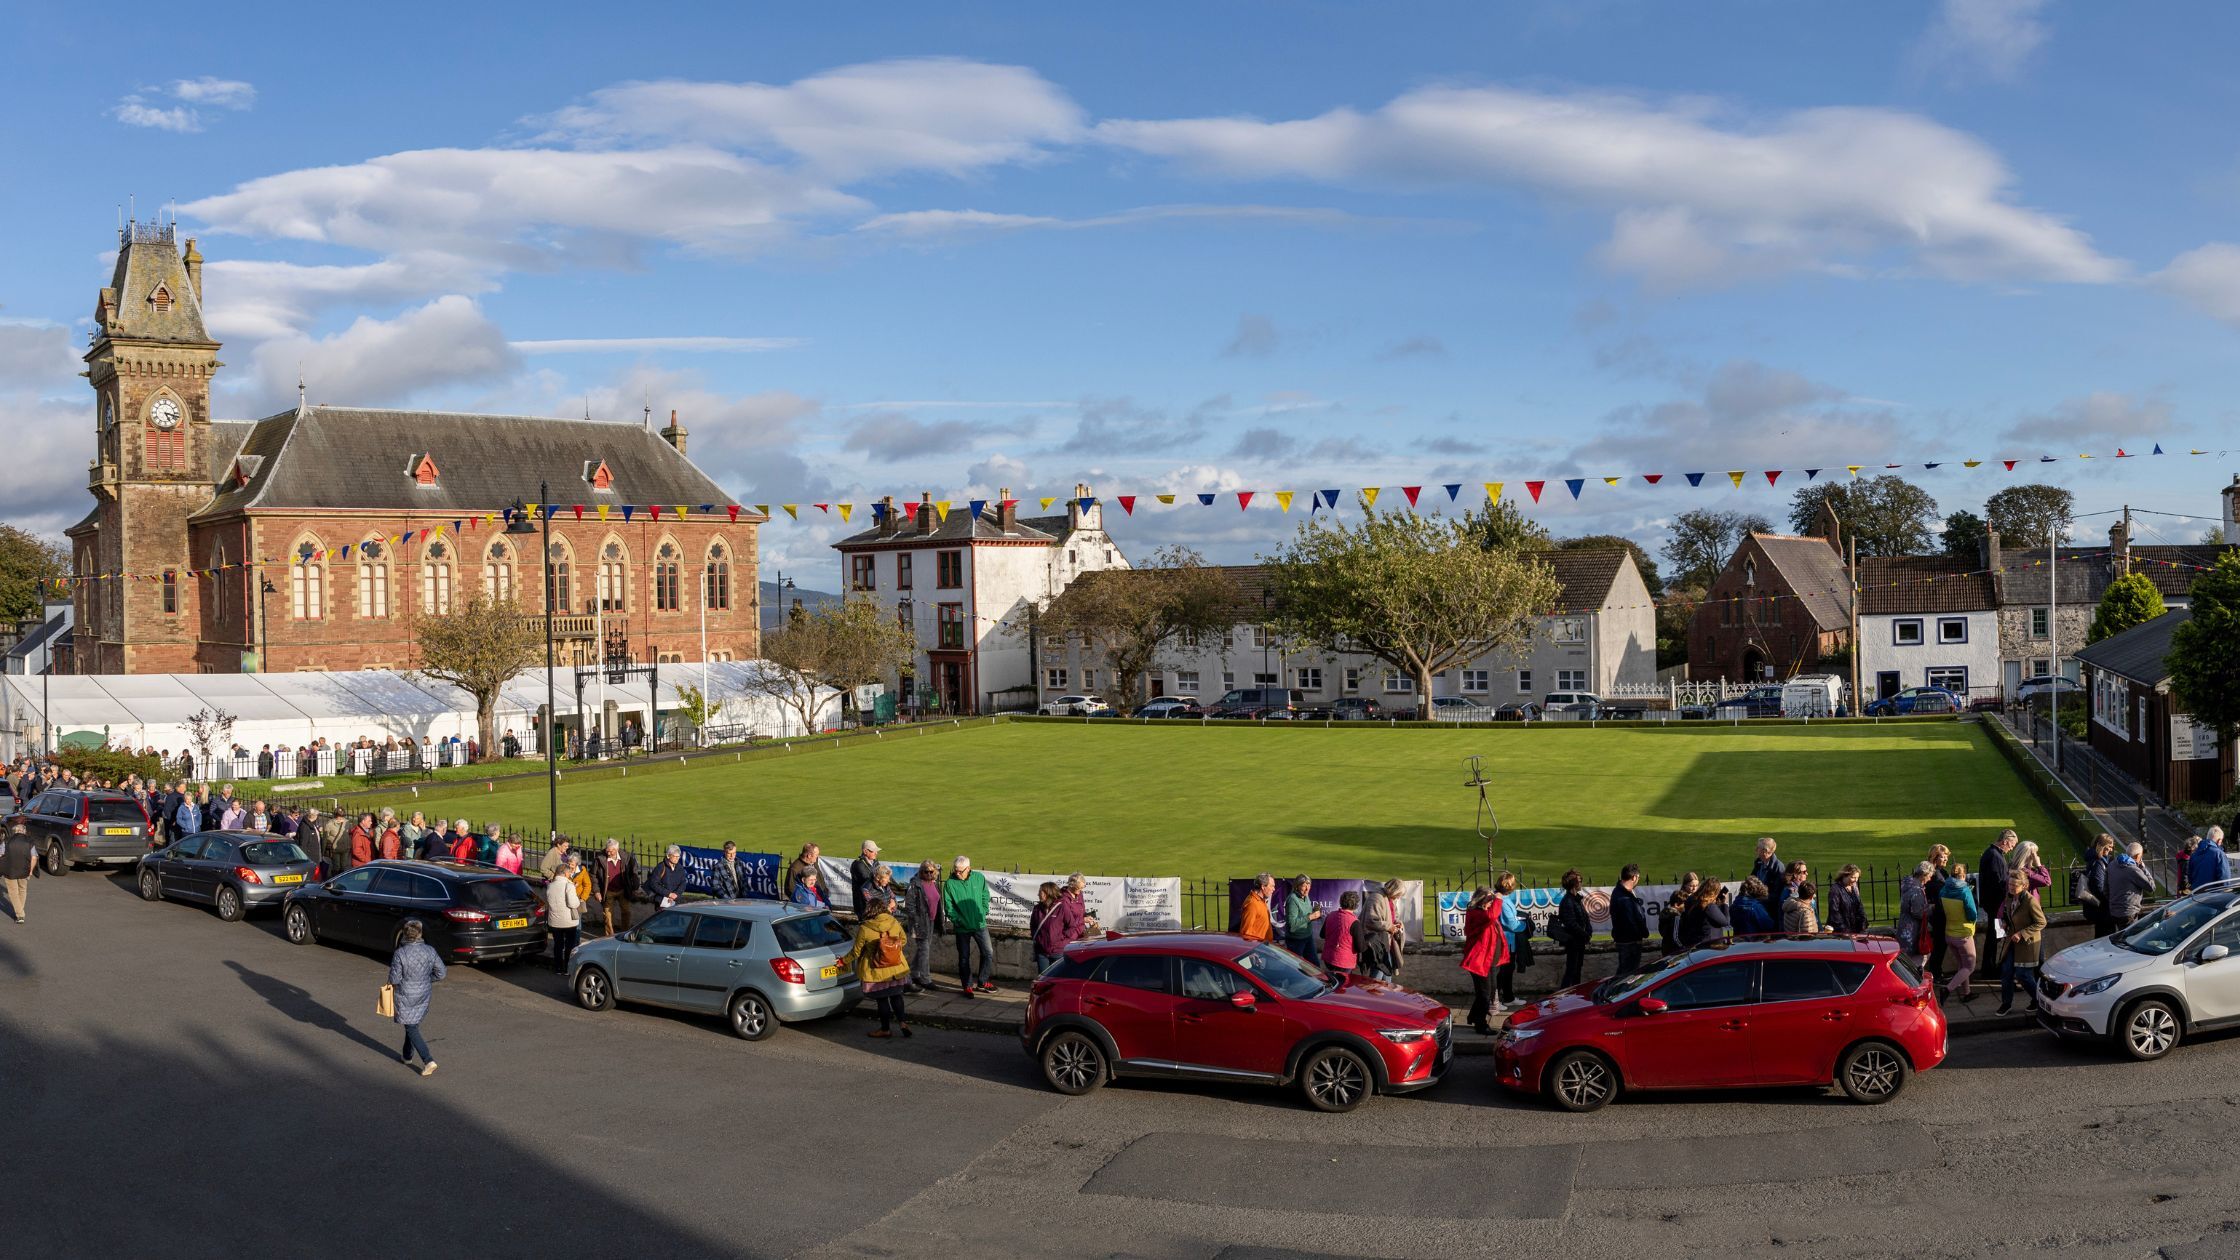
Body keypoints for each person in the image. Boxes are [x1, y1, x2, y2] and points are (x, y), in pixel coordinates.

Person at [843, 890, 913, 1038]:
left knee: (882, 999)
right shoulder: (894, 922)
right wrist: (892, 948)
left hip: (877, 970)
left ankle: (885, 1029)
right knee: (896, 996)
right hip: (896, 967)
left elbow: (856, 952)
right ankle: (902, 1023)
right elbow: (904, 941)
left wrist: (842, 961)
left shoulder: (865, 928)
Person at [389, 919, 448, 1077]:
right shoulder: (430, 950)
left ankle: (428, 1060)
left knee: (411, 1026)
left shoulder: (400, 953)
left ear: (405, 934)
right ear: (420, 933)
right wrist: (427, 980)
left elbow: (394, 980)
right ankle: (407, 1056)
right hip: (424, 994)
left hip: (405, 994)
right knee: (412, 1024)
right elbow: (441, 973)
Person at [1996, 871, 2046, 1016]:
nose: (2010, 887)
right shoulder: (2009, 898)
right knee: (2006, 972)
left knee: (2023, 975)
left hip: (2027, 944)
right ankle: (2006, 1004)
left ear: (2024, 885)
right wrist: (2005, 924)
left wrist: (2022, 933)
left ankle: (2039, 999)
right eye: (2009, 884)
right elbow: (2010, 918)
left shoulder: (2030, 901)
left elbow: (2041, 922)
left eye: (2014, 885)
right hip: (2012, 942)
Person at [943, 856, 993, 996]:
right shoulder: (949, 884)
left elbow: (985, 895)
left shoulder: (979, 878)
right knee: (964, 957)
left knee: (988, 952)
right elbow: (948, 906)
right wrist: (957, 920)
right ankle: (967, 985)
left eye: (960, 871)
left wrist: (983, 911)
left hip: (979, 924)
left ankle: (983, 982)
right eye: (955, 870)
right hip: (962, 927)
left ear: (968, 868)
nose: (957, 873)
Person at [1461, 887, 1509, 1034]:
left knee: (1490, 990)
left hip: (1491, 960)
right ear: (1481, 899)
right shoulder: (1477, 914)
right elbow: (1491, 916)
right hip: (1480, 961)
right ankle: (1481, 1025)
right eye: (1489, 899)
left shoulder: (1485, 913)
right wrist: (1499, 898)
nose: (1492, 901)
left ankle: (1473, 1016)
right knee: (1484, 994)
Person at [903, 860, 945, 992]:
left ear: (935, 872)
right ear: (921, 872)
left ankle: (914, 974)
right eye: (925, 871)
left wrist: (940, 922)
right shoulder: (915, 885)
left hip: (931, 921)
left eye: (931, 871)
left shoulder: (934, 883)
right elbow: (909, 906)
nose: (928, 874)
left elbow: (938, 903)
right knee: (925, 950)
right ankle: (925, 979)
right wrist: (917, 920)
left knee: (923, 950)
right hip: (920, 923)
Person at [1939, 860, 1979, 1001]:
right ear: (1963, 876)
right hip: (1963, 934)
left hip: (1949, 933)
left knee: (1962, 966)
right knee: (1969, 966)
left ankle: (1966, 993)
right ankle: (1948, 989)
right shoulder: (1964, 891)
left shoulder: (1944, 889)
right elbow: (1972, 914)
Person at [1492, 872, 1528, 1008]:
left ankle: (1508, 997)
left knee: (1508, 969)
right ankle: (1495, 1000)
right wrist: (1525, 926)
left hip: (1508, 941)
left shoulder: (1502, 899)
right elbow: (1511, 924)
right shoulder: (1503, 901)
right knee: (1504, 971)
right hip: (1506, 941)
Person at [1551, 869, 1591, 987]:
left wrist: (1588, 931)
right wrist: (1585, 934)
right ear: (1574, 883)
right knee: (1572, 971)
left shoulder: (1576, 899)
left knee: (1577, 970)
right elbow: (1571, 924)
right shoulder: (1567, 901)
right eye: (1579, 880)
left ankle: (1575, 994)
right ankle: (1564, 996)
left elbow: (1584, 918)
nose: (1581, 883)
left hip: (1580, 941)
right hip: (1573, 941)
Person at [1978, 829, 2017, 947]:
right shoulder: (1995, 856)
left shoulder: (1992, 853)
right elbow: (1999, 882)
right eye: (2012, 845)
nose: (2011, 848)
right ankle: (1989, 965)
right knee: (1994, 937)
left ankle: (1990, 964)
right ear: (2005, 841)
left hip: (1992, 904)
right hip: (1995, 905)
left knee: (1994, 936)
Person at [593, 839, 640, 936]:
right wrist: (597, 891)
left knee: (626, 911)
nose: (608, 852)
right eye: (607, 850)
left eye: (611, 851)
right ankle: (609, 936)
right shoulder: (600, 858)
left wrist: (634, 886)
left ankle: (625, 933)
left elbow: (634, 871)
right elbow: (593, 875)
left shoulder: (626, 857)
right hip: (607, 891)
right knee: (607, 915)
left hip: (623, 889)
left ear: (617, 849)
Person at [547, 854, 584, 974]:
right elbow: (573, 904)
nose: (569, 875)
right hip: (568, 921)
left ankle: (558, 968)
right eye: (568, 873)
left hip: (555, 921)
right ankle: (567, 968)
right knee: (569, 946)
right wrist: (578, 900)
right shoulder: (569, 885)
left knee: (558, 945)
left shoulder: (550, 886)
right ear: (564, 873)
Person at [1608, 865, 1648, 976]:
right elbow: (1632, 920)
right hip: (1629, 941)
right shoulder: (1623, 897)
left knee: (1626, 972)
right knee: (1627, 974)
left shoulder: (1622, 893)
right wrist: (1642, 933)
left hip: (1626, 939)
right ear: (1634, 877)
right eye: (1638, 878)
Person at [2105, 841, 2153, 932]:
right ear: (2138, 856)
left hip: (2114, 911)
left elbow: (2105, 889)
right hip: (2129, 912)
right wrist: (2143, 868)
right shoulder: (2133, 870)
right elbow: (2151, 887)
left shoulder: (2112, 865)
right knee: (2130, 940)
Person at [1897, 861, 1936, 967]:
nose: (1930, 879)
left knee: (1905, 959)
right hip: (1913, 931)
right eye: (1929, 876)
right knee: (1915, 961)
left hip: (1904, 928)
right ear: (1924, 875)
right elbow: (1918, 913)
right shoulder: (1917, 891)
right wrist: (1931, 908)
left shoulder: (1908, 885)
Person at [2078, 834, 2116, 937]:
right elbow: (2099, 887)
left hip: (2096, 908)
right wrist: (2110, 900)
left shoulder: (2092, 859)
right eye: (2110, 846)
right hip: (2102, 909)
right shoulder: (2099, 862)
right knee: (2105, 937)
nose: (2111, 850)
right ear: (2102, 845)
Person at [1925, 844, 1952, 980]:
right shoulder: (1932, 873)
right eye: (1943, 856)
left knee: (1942, 943)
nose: (1946, 859)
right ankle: (1935, 973)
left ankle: (1937, 971)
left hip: (1943, 912)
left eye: (1947, 856)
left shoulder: (1942, 871)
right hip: (1937, 914)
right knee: (1940, 943)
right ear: (1935, 857)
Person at [1678, 879, 1731, 949]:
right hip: (1709, 944)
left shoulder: (1691, 899)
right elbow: (1725, 922)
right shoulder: (1709, 906)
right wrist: (1725, 904)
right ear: (1714, 892)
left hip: (1693, 942)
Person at [1284, 875, 1323, 964]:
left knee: (1315, 965)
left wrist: (1314, 913)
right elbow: (1292, 924)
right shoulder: (1292, 900)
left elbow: (1305, 916)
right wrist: (1310, 917)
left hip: (1307, 936)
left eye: (1309, 885)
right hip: (1296, 940)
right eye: (1304, 886)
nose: (1307, 889)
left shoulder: (1305, 896)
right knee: (1295, 967)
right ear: (1297, 886)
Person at [1322, 890, 1360, 977]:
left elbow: (1322, 934)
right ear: (1356, 905)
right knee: (1342, 987)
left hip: (1328, 959)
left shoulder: (1330, 915)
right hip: (1343, 962)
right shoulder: (1354, 922)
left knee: (1331, 983)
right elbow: (1360, 947)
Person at [2, 821, 33, 923]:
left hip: (9, 870)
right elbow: (34, 857)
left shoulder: (6, 841)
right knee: (22, 889)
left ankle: (20, 915)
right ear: (24, 831)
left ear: (14, 832)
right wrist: (31, 870)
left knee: (13, 892)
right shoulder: (30, 842)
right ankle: (20, 912)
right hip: (24, 870)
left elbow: (1, 855)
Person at [1661, 873, 1699, 956]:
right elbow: (1674, 935)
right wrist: (1683, 947)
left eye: (1696, 885)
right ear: (1685, 885)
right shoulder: (1680, 898)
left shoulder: (1696, 898)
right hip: (1677, 947)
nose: (1694, 888)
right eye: (1691, 885)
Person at [1029, 882, 1063, 972]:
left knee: (1056, 980)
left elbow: (1071, 926)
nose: (1038, 894)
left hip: (1058, 951)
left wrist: (1062, 940)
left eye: (1040, 892)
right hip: (1042, 952)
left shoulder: (1061, 908)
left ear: (1048, 893)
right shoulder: (1037, 908)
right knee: (1043, 979)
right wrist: (1038, 939)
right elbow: (1033, 926)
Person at [646, 845, 690, 910]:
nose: (677, 858)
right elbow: (653, 883)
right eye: (675, 856)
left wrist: (675, 895)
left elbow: (683, 883)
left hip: (676, 902)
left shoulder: (680, 868)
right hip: (661, 903)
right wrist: (669, 894)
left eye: (678, 856)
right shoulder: (660, 867)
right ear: (668, 856)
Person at [1828, 864, 1867, 935]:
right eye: (1853, 877)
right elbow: (1834, 912)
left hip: (1855, 931)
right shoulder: (1835, 889)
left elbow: (1860, 907)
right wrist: (1845, 931)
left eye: (1857, 878)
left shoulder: (1854, 888)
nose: (1856, 880)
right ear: (1845, 875)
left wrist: (1862, 925)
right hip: (1840, 933)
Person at [2188, 826, 2230, 891]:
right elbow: (2225, 880)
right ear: (2219, 841)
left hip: (2196, 894)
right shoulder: (2219, 854)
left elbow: (2190, 878)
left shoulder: (2194, 854)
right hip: (2213, 896)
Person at [850, 840, 884, 918]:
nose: (876, 853)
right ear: (865, 851)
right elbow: (869, 880)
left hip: (875, 902)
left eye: (876, 851)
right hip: (863, 905)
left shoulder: (875, 862)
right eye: (873, 851)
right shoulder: (857, 864)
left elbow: (883, 876)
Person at [1238, 873, 1276, 944]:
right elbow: (1245, 933)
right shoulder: (1252, 904)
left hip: (1265, 947)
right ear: (1263, 887)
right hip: (1258, 949)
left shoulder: (1261, 900)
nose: (1274, 889)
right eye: (1272, 886)